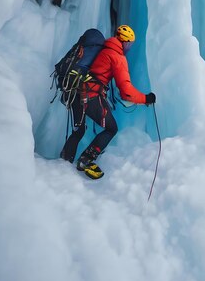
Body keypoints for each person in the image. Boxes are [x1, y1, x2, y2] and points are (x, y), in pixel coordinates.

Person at [60, 25, 156, 179]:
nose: (129, 47)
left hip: (76, 91)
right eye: (129, 44)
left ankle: (63, 162)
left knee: (79, 130)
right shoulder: (117, 57)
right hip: (90, 96)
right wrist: (146, 99)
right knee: (111, 128)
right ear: (124, 42)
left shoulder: (104, 50)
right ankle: (86, 160)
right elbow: (127, 92)